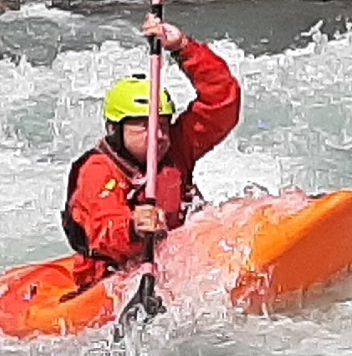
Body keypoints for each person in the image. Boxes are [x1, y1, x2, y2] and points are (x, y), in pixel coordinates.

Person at [61, 15, 240, 271]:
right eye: (144, 125)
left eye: (163, 124)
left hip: (180, 254)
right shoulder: (99, 169)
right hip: (115, 274)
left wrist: (183, 48)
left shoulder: (176, 148)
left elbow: (222, 100)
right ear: (115, 129)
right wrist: (133, 226)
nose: (158, 135)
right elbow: (102, 226)